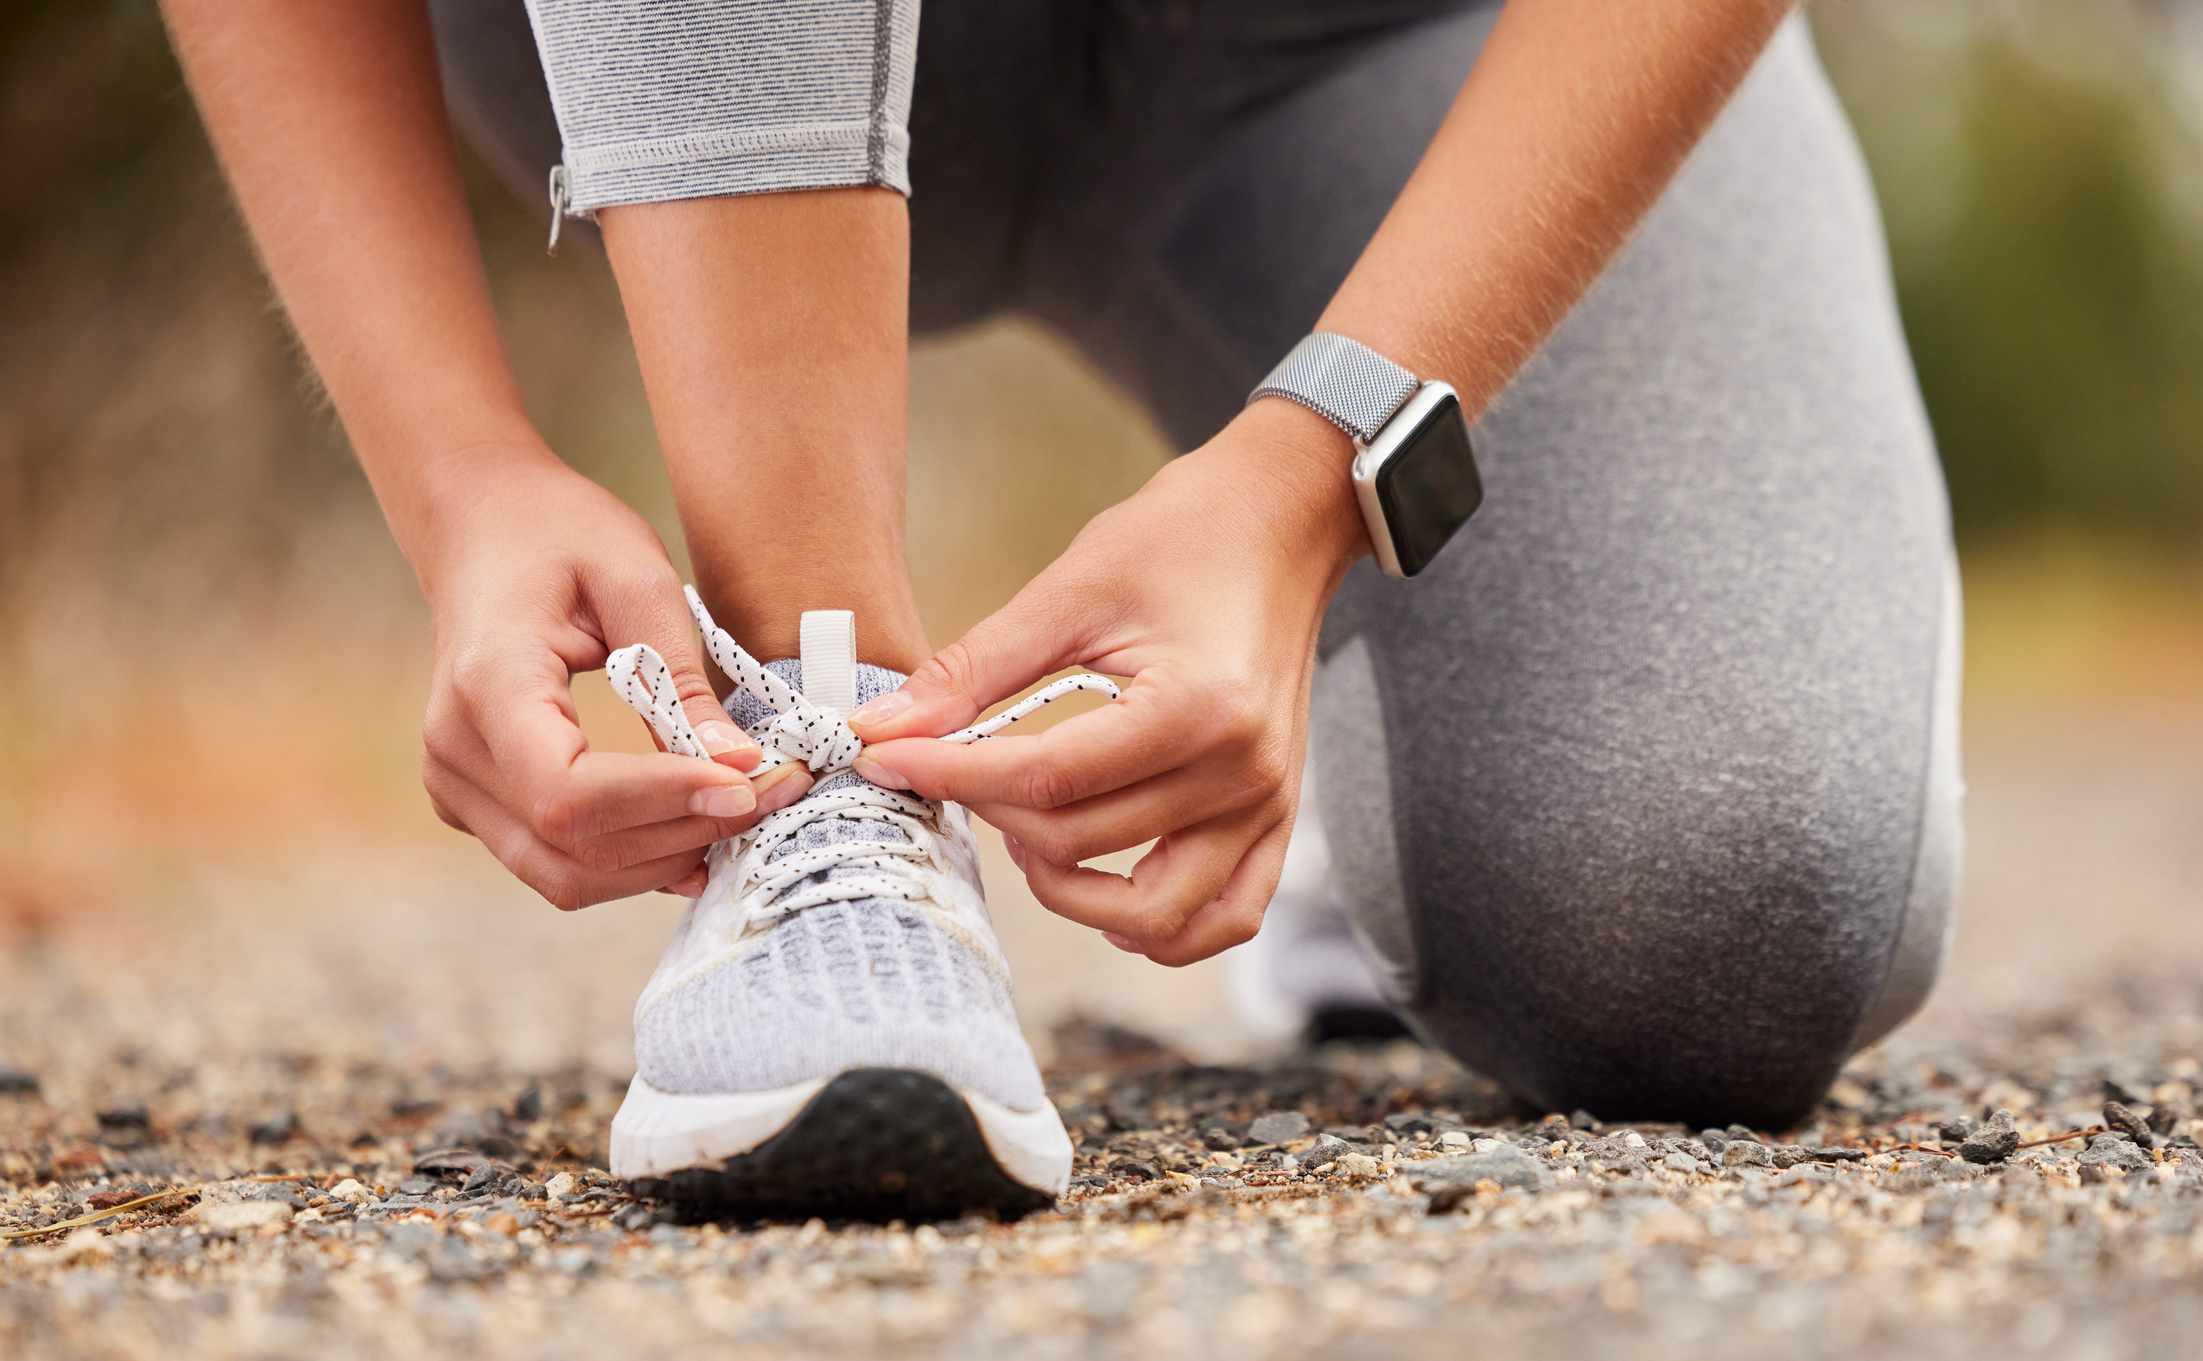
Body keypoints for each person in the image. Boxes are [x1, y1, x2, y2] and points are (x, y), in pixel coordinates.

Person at [159, 0, 1960, 1218]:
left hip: (1372, 45)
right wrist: (456, 471)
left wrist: (1313, 479)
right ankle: (827, 791)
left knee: (1726, 909)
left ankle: (1347, 727)